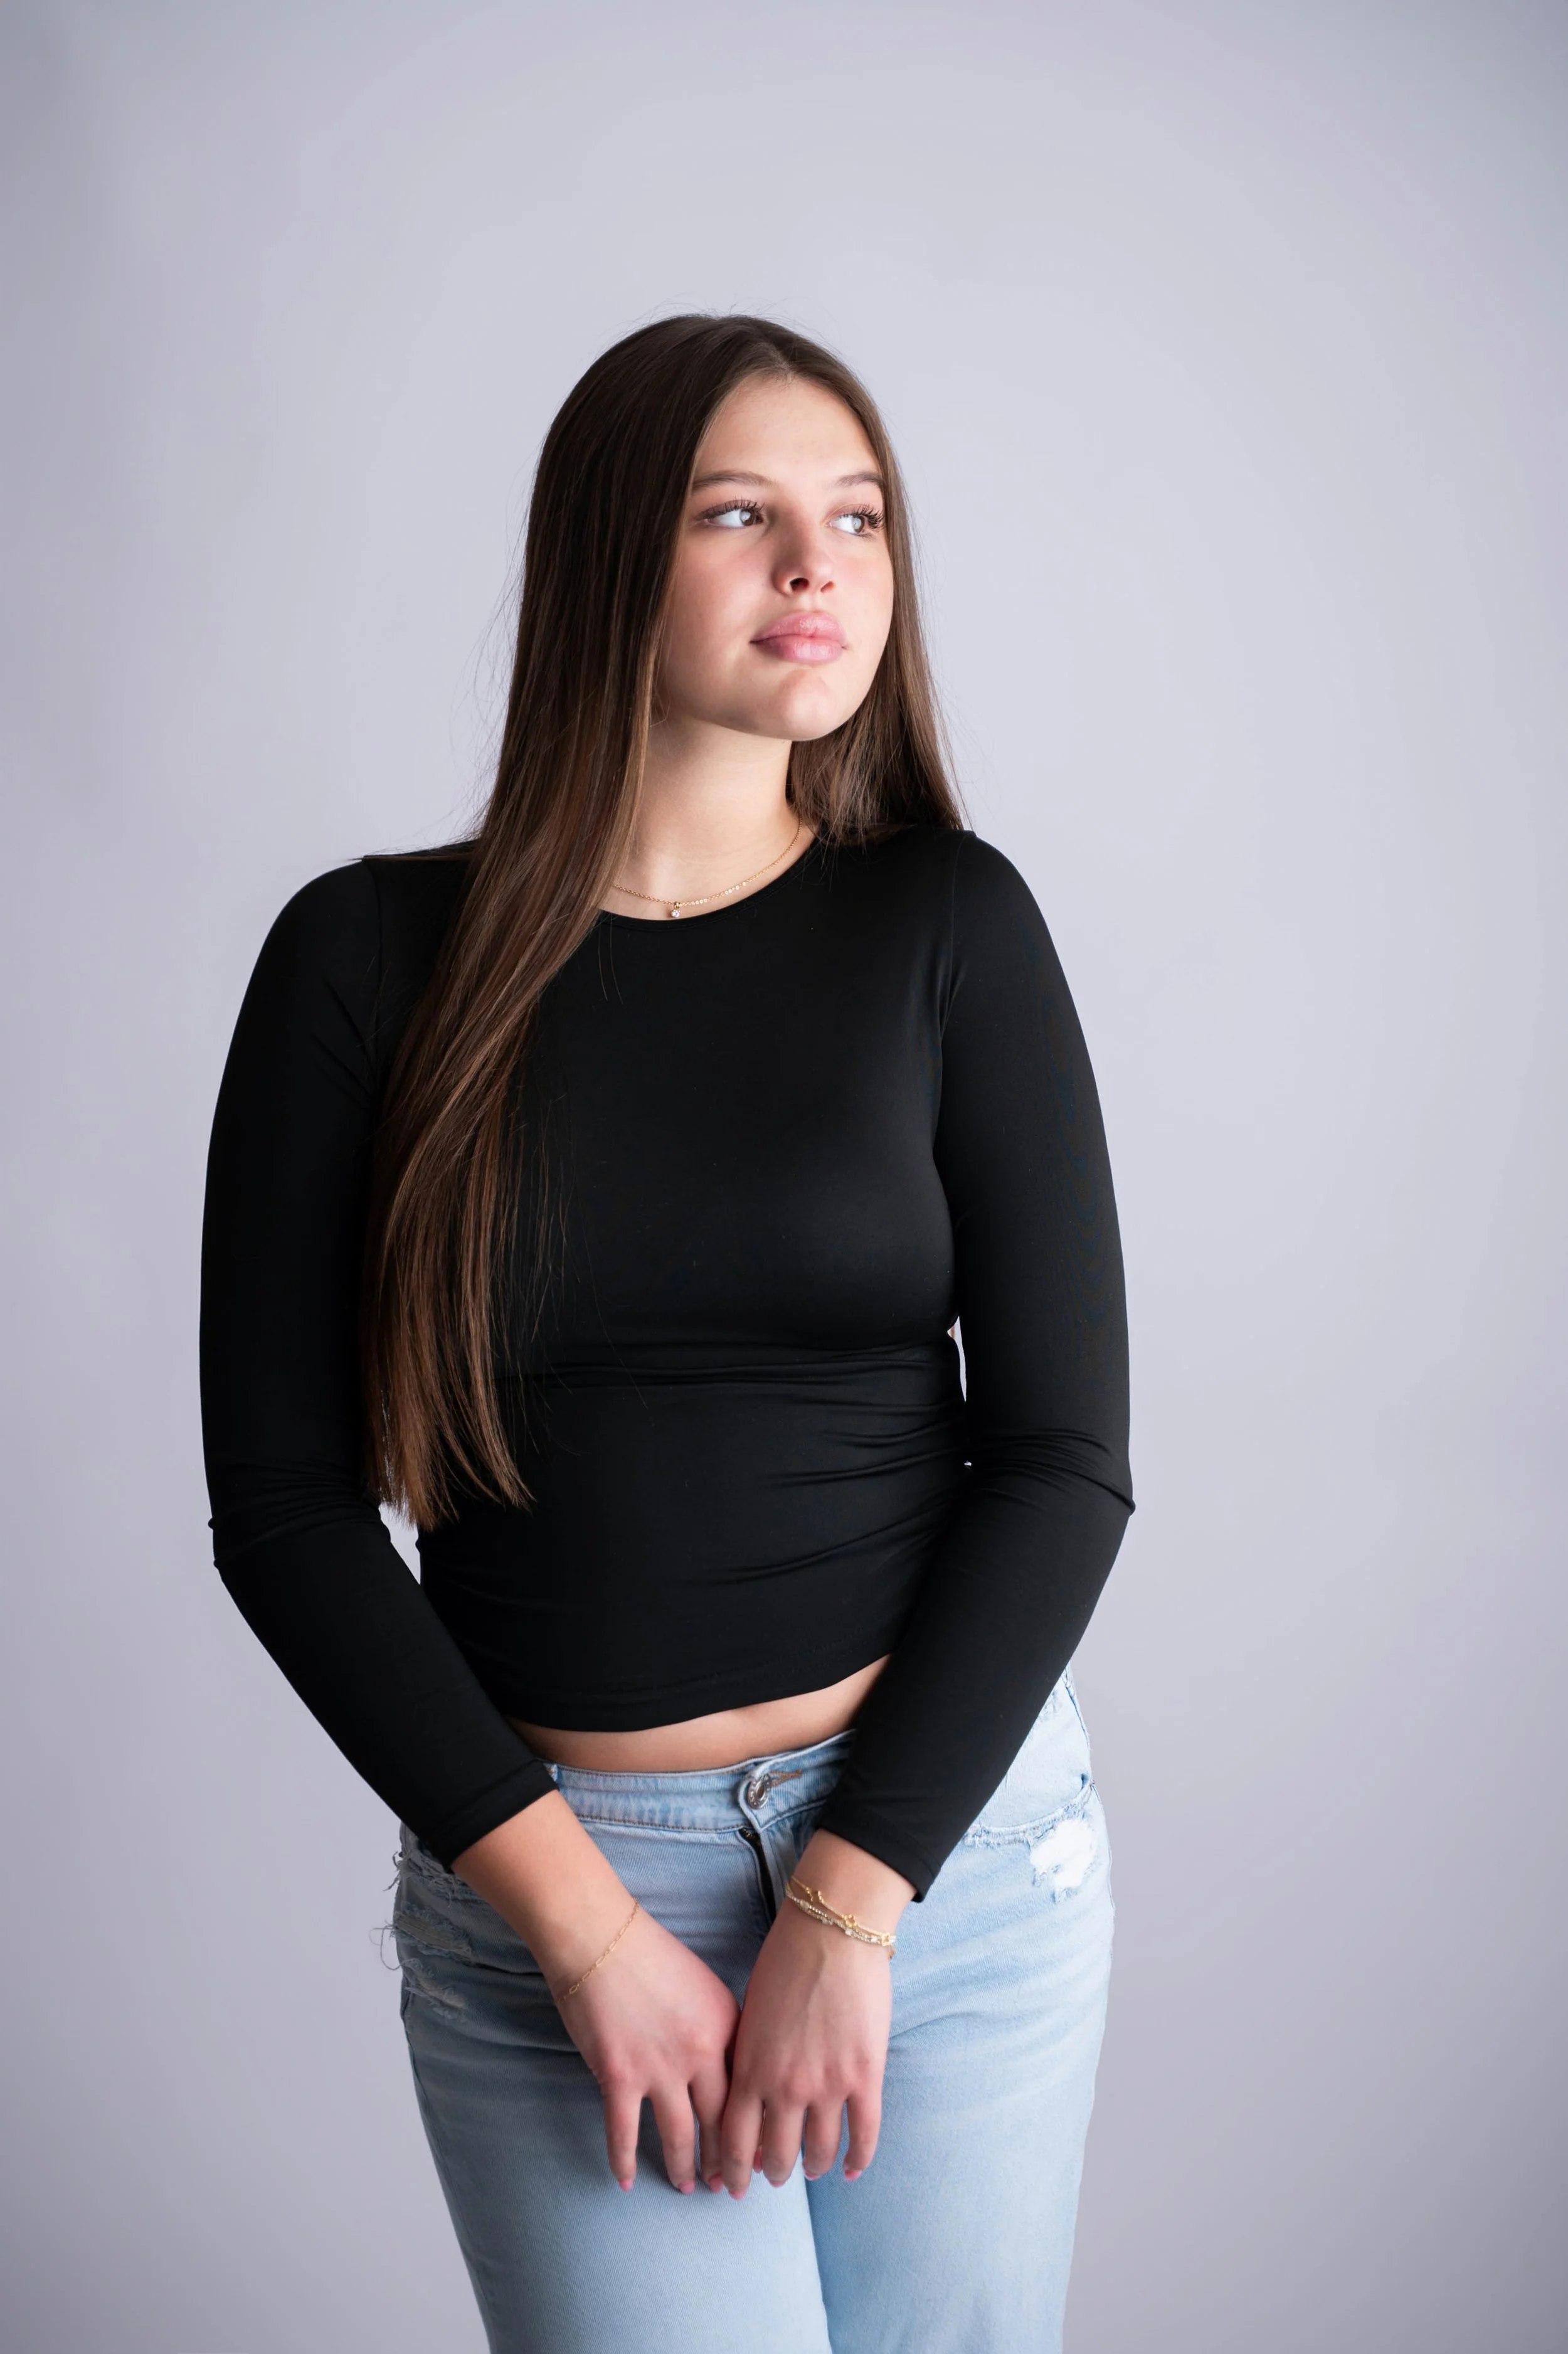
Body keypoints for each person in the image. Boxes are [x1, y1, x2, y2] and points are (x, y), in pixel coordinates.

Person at [199, 312, 1133, 2353]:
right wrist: (588, 1931)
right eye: (743, 514)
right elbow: (282, 1511)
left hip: (942, 1870)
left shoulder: (948, 926)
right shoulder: (363, 961)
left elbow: (1061, 1461)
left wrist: (848, 1898)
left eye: (857, 517)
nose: (820, 568)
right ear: (607, 558)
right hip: (552, 1887)